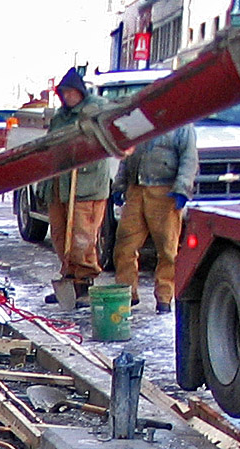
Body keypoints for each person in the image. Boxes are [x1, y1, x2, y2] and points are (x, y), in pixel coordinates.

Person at [43, 67, 112, 307]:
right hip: (61, 185)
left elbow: (111, 127)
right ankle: (69, 279)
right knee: (61, 236)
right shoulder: (61, 117)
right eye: (63, 93)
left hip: (86, 185)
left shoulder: (97, 108)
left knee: (82, 237)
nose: (67, 97)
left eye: (70, 93)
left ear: (80, 92)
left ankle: (84, 281)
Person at [112, 126, 198, 314]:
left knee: (167, 250)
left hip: (165, 191)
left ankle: (164, 297)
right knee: (124, 245)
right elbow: (126, 155)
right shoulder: (140, 118)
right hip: (135, 190)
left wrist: (182, 188)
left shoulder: (182, 124)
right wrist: (119, 185)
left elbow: (189, 159)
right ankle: (126, 293)